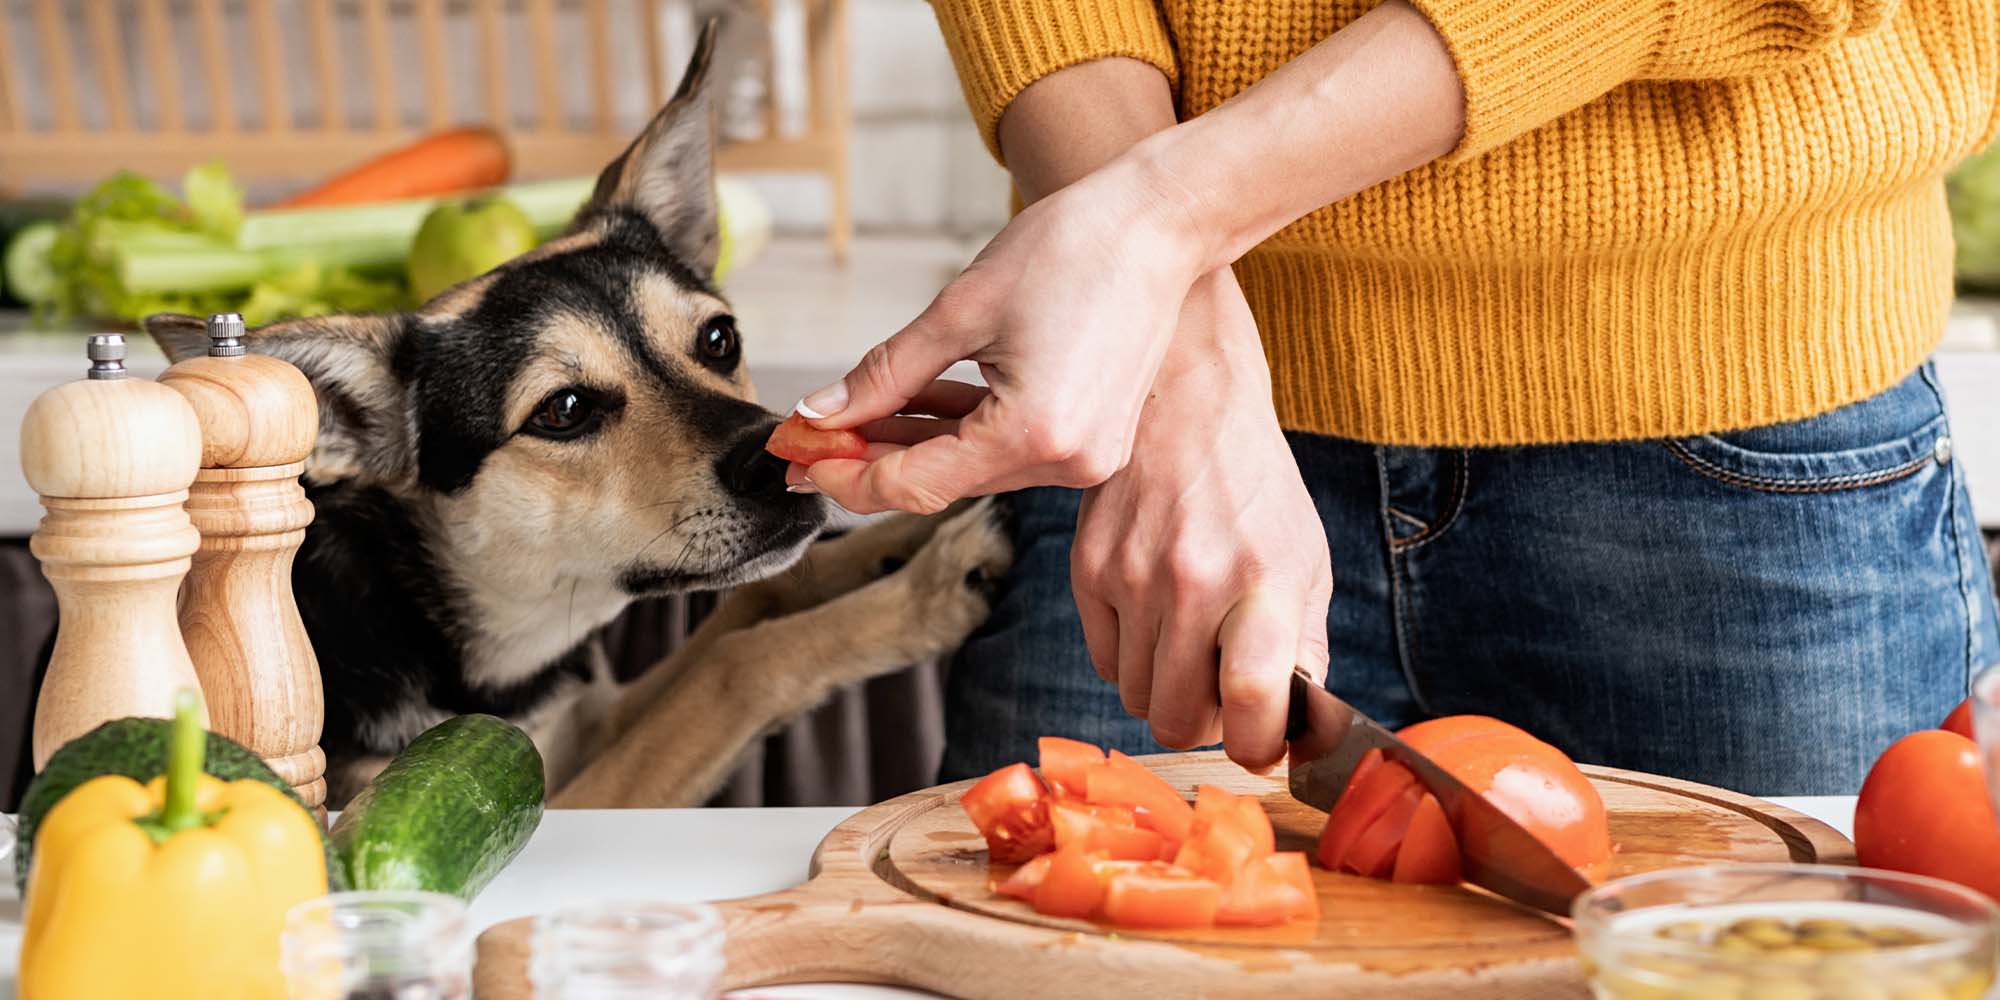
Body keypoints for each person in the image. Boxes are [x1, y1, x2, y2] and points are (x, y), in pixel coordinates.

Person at [785, 0, 2000, 795]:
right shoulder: (1161, 355)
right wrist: (1176, 353)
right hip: (1147, 430)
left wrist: (1157, 231)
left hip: (1740, 430)